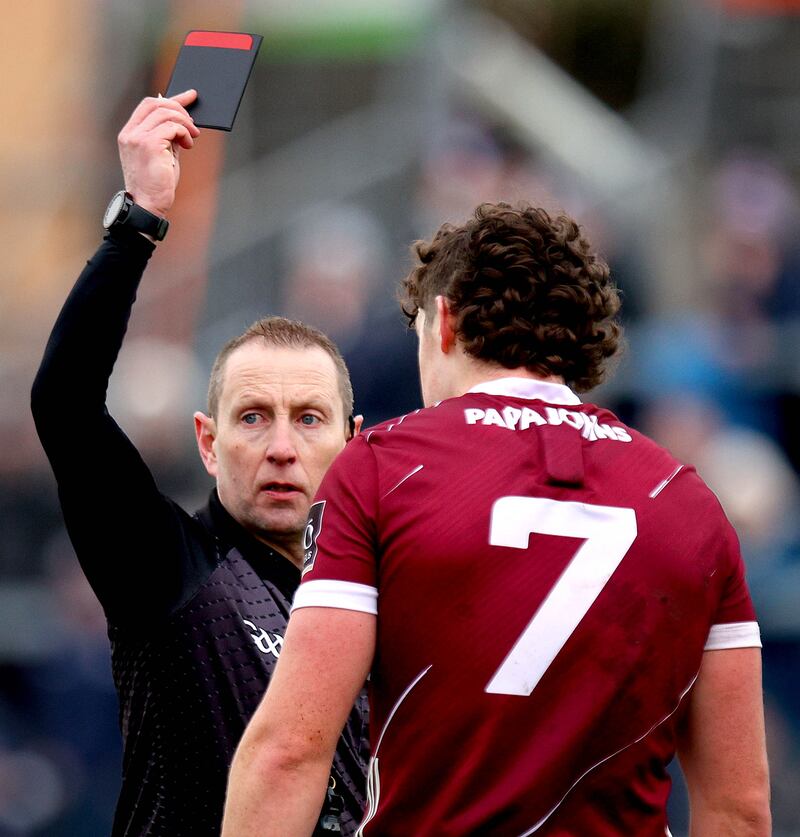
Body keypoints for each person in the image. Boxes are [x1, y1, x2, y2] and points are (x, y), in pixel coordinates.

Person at [222, 203, 772, 836]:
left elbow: (290, 750)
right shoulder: (687, 501)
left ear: (445, 322)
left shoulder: (381, 468)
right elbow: (740, 807)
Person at [30, 90, 368, 836]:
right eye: (253, 417)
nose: (281, 445)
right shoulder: (173, 572)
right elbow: (65, 405)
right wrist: (138, 225)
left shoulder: (379, 607)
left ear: (352, 441)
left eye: (309, 419)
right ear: (208, 442)